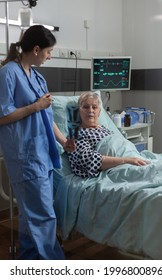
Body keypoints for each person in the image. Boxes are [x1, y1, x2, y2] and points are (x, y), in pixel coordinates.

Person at [0, 25, 75, 260]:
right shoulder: (8, 74)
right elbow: (2, 116)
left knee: (30, 214)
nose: (50, 56)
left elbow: (47, 114)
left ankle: (30, 260)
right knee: (43, 215)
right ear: (36, 49)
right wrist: (35, 106)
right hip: (25, 156)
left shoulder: (37, 76)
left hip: (43, 153)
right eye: (48, 51)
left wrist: (63, 141)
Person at [68, 91, 149, 178]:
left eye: (94, 107)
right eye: (86, 107)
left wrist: (132, 158)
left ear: (99, 112)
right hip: (119, 167)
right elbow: (89, 160)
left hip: (133, 158)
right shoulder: (77, 134)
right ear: (79, 111)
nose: (90, 110)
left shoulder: (106, 130)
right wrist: (127, 161)